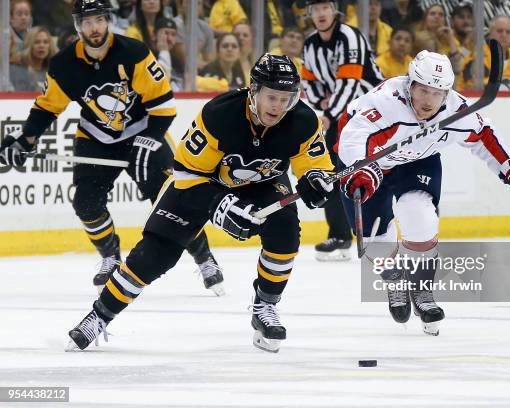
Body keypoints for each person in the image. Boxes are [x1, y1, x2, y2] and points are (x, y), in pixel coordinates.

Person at [65, 54, 335, 353]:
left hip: (262, 184)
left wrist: (317, 180)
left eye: (286, 99)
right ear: (254, 90)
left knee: (285, 228)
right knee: (153, 256)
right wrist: (220, 205)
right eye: (272, 97)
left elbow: (317, 165)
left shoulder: (303, 120)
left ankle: (265, 307)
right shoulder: (220, 114)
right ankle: (99, 316)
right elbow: (185, 174)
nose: (279, 106)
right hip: (201, 184)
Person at [0, 0, 224, 296]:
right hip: (96, 136)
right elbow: (47, 107)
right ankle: (109, 256)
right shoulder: (65, 64)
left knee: (171, 201)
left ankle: (204, 257)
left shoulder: (133, 53)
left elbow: (164, 106)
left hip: (142, 130)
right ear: (78, 26)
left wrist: (148, 140)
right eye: (87, 22)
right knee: (85, 203)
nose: (94, 28)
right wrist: (25, 140)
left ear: (108, 21)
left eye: (99, 20)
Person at [337, 50, 510, 336]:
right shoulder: (385, 103)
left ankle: (422, 290)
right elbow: (351, 136)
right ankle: (394, 278)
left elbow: (485, 136)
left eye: (437, 93)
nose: (429, 101)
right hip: (369, 164)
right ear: (410, 85)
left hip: (417, 161)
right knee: (375, 239)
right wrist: (360, 168)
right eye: (422, 90)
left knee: (418, 214)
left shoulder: (455, 109)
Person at [302, 0, 384, 261]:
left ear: (334, 10)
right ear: (309, 14)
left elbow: (351, 83)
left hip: (371, 111)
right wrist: (322, 104)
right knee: (331, 169)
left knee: (359, 169)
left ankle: (373, 233)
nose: (320, 13)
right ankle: (340, 234)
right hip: (340, 115)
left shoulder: (350, 36)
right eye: (315, 9)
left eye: (325, 7)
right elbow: (310, 84)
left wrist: (328, 113)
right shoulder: (310, 44)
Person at [460, 15, 510, 91]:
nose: (504, 35)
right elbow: (471, 84)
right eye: (499, 31)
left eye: (508, 32)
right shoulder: (477, 54)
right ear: (490, 32)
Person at [414, 4, 463, 73]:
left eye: (441, 15)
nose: (437, 16)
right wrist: (435, 36)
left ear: (444, 20)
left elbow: (458, 67)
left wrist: (451, 40)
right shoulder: (418, 37)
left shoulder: (450, 38)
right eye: (432, 14)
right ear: (425, 19)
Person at [10, 26, 57, 92]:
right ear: (29, 45)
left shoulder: (55, 72)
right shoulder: (15, 69)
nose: (42, 46)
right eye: (37, 42)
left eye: (45, 42)